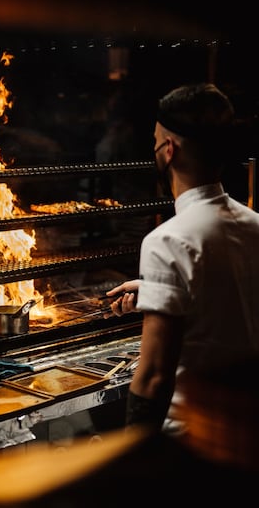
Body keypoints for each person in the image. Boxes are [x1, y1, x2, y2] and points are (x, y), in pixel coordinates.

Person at [104, 82, 259, 434]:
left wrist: (135, 459)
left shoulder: (167, 241)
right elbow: (232, 298)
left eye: (156, 141)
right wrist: (159, 288)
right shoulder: (255, 225)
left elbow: (155, 376)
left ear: (169, 149)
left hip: (191, 442)